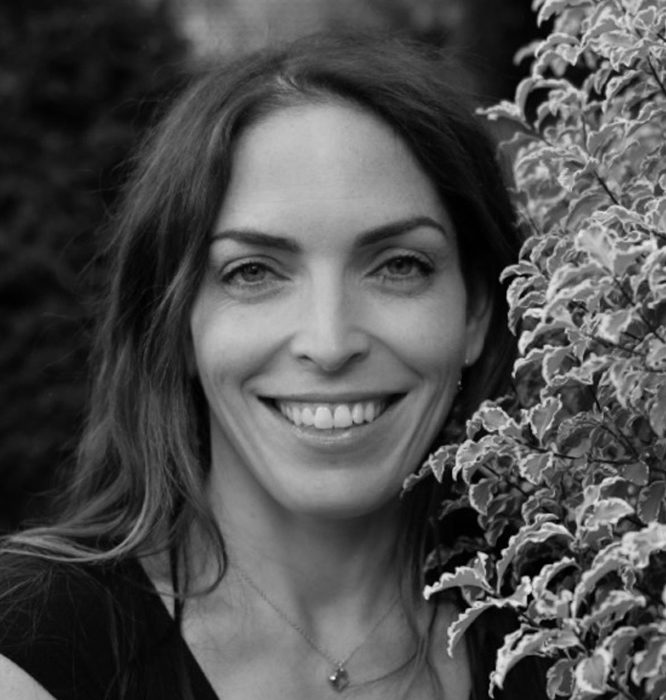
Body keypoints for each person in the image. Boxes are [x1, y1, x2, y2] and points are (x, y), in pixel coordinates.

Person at [0, 33, 547, 700]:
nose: (329, 342)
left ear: (477, 314)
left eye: (400, 266)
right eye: (253, 272)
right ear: (175, 325)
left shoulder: (583, 636)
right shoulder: (28, 656)